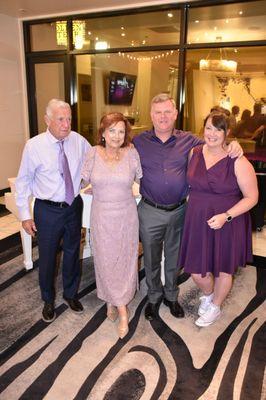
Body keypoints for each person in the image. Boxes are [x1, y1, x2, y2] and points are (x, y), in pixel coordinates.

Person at [132, 93, 243, 321]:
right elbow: (115, 152)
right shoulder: (138, 142)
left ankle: (171, 296)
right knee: (151, 258)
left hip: (180, 211)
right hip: (150, 210)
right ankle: (154, 297)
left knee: (175, 257)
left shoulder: (191, 141)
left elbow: (217, 143)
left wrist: (234, 144)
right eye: (158, 112)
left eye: (167, 112)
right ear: (151, 116)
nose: (163, 117)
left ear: (175, 115)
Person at [178, 112, 258, 327]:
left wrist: (226, 216)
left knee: (224, 267)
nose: (212, 134)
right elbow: (191, 183)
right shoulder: (194, 152)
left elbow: (252, 197)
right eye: (209, 128)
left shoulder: (237, 161)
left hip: (228, 220)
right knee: (196, 270)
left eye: (218, 129)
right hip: (197, 218)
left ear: (227, 133)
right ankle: (209, 293)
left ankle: (216, 305)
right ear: (203, 129)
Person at [15, 99, 90, 322]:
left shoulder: (78, 140)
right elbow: (23, 182)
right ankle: (48, 299)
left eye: (68, 119)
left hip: (73, 206)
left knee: (72, 253)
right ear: (47, 120)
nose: (66, 124)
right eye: (60, 119)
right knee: (47, 257)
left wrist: (91, 181)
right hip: (47, 210)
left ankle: (70, 294)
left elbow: (92, 160)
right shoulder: (34, 146)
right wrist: (25, 216)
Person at [81, 112, 142, 339]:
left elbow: (142, 180)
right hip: (102, 216)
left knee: (125, 261)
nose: (117, 136)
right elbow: (83, 179)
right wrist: (94, 186)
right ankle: (109, 299)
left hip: (126, 215)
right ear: (103, 132)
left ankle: (122, 309)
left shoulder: (131, 153)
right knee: (105, 260)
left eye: (121, 131)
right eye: (112, 130)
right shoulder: (93, 153)